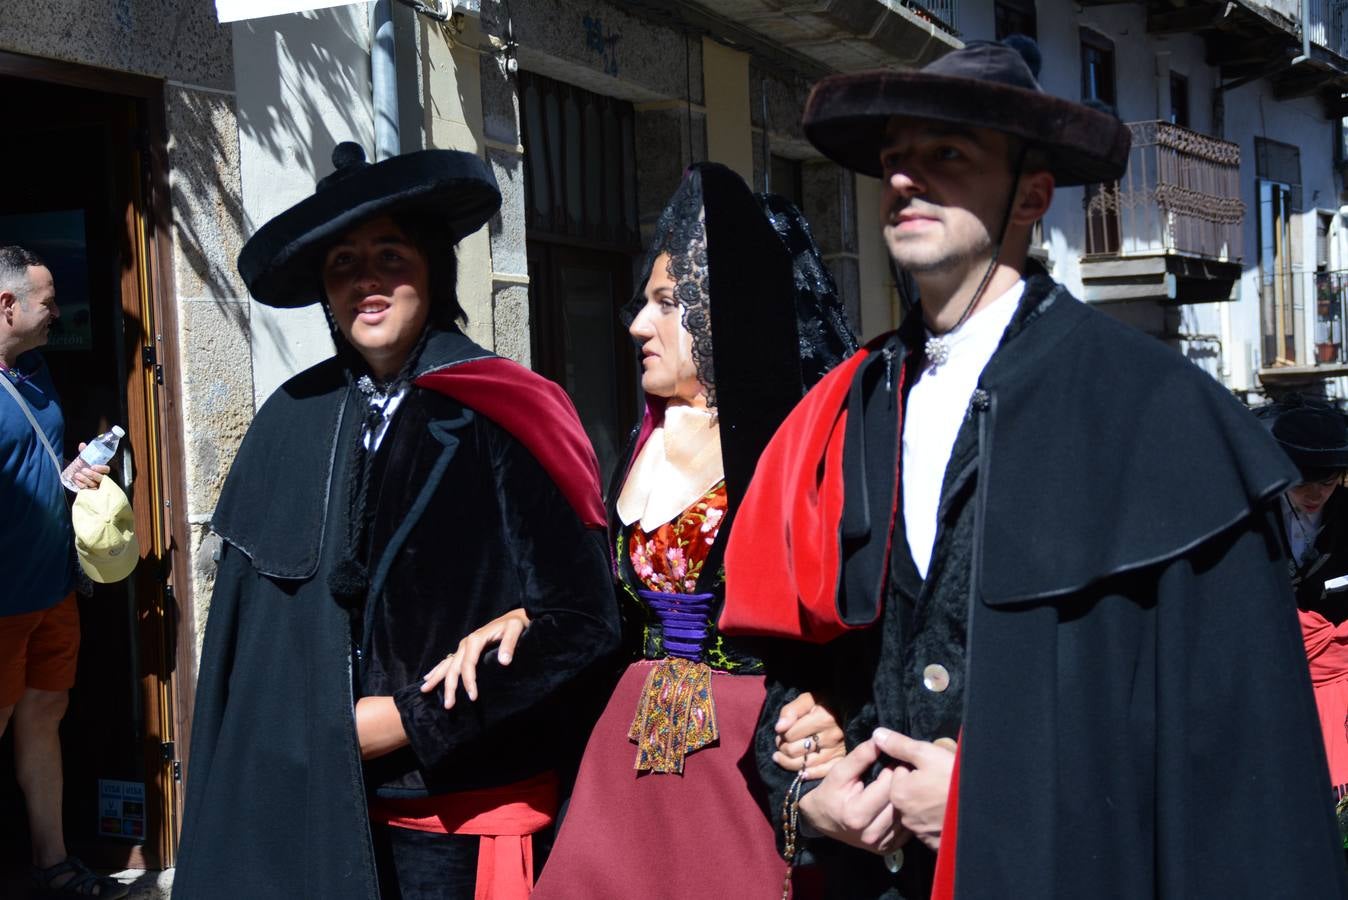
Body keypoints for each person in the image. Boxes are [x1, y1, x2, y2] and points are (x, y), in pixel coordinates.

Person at [719, 39, 1348, 898]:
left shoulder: (1157, 411)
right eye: (895, 160)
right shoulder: (846, 405)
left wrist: (993, 802)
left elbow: (1226, 755)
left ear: (1032, 196)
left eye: (948, 156)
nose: (905, 180)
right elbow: (799, 668)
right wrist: (804, 777)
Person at [173, 144, 620, 899]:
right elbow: (250, 636)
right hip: (313, 806)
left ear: (433, 270)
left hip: (455, 816)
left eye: (389, 253)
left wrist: (410, 720)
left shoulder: (508, 407)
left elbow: (581, 622)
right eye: (343, 263)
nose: (367, 280)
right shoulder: (292, 419)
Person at [422, 163, 858, 898]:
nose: (635, 326)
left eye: (665, 303)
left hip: (748, 744)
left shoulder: (796, 451)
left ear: (724, 310)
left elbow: (844, 608)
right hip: (625, 742)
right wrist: (533, 612)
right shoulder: (643, 443)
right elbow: (606, 599)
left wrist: (836, 707)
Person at [0, 245, 119, 899]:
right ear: (6, 304)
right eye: (49, 302)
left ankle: (53, 863)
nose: (59, 313)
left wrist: (69, 477)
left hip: (51, 589)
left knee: (45, 712)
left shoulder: (38, 370)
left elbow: (30, 462)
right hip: (2, 599)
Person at [1258, 398, 1348, 804]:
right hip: (1277, 676)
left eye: (1326, 483)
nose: (1315, 494)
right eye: (1302, 483)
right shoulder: (1252, 520)